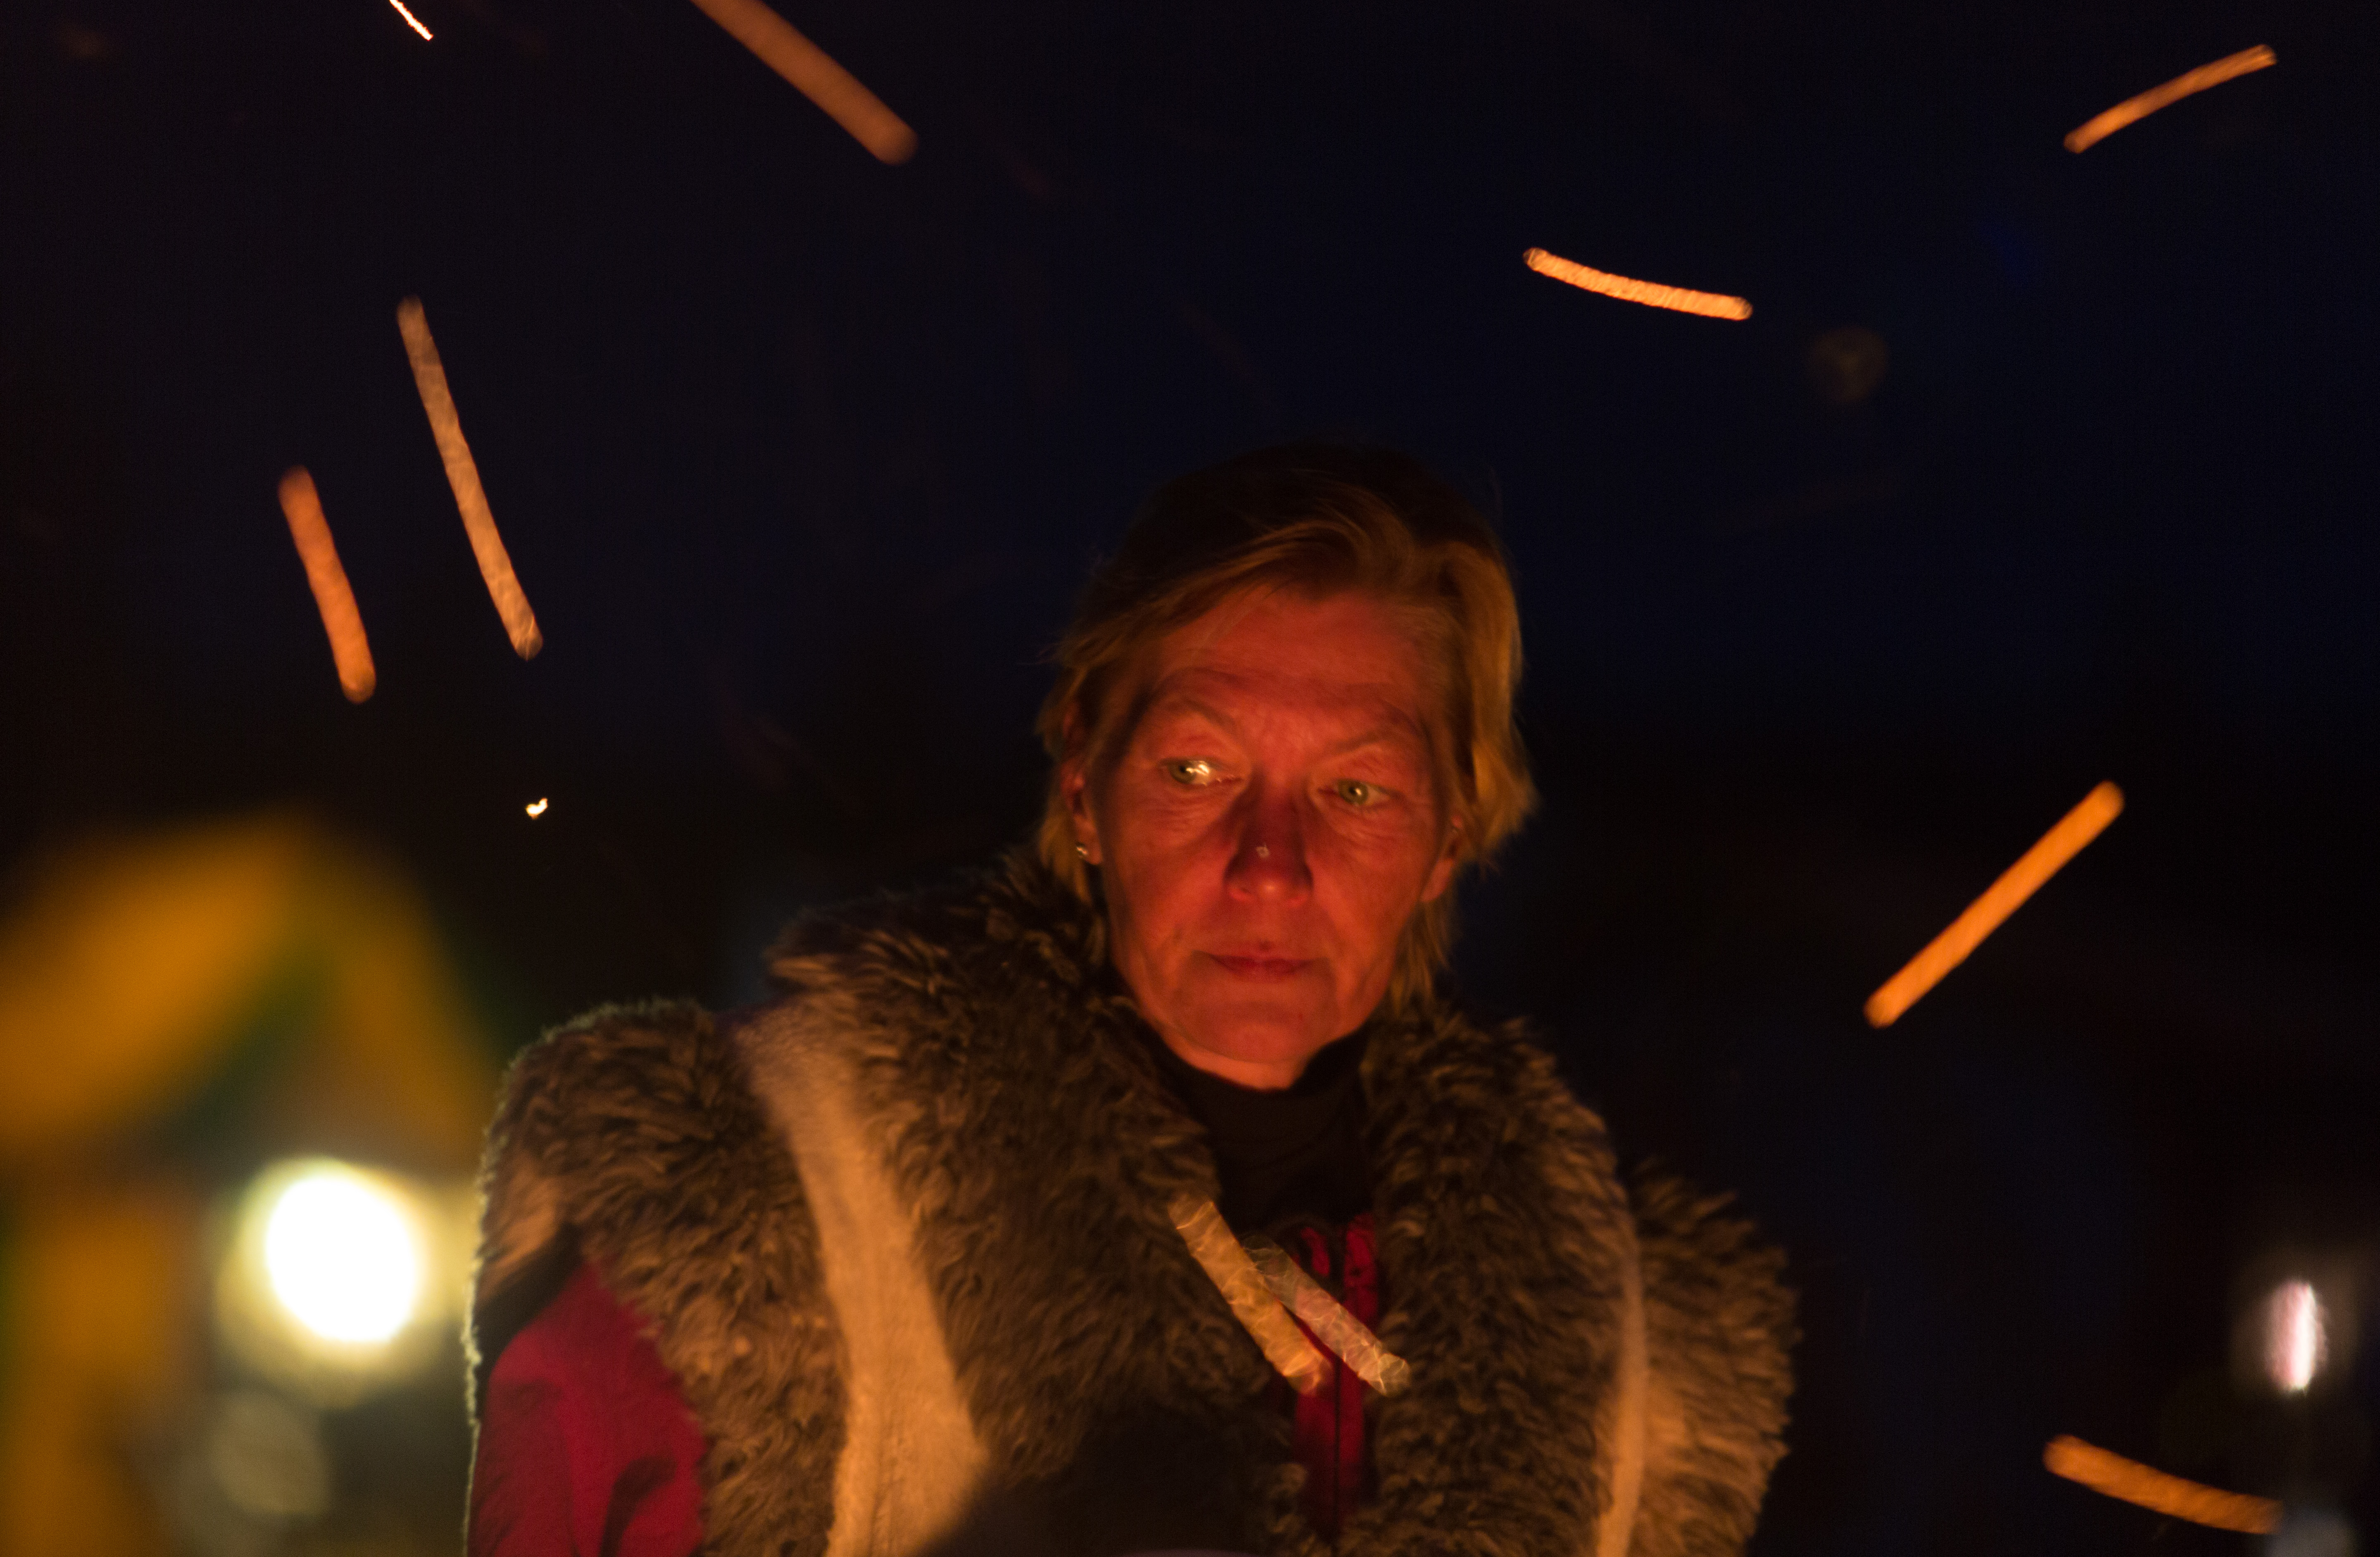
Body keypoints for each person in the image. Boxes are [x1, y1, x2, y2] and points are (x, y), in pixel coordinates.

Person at [465, 444, 1795, 1557]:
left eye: (1357, 791)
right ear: (1086, 786)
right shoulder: (762, 1204)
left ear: (1451, 836)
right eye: (1197, 770)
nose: (1271, 867)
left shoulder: (1615, 1335)